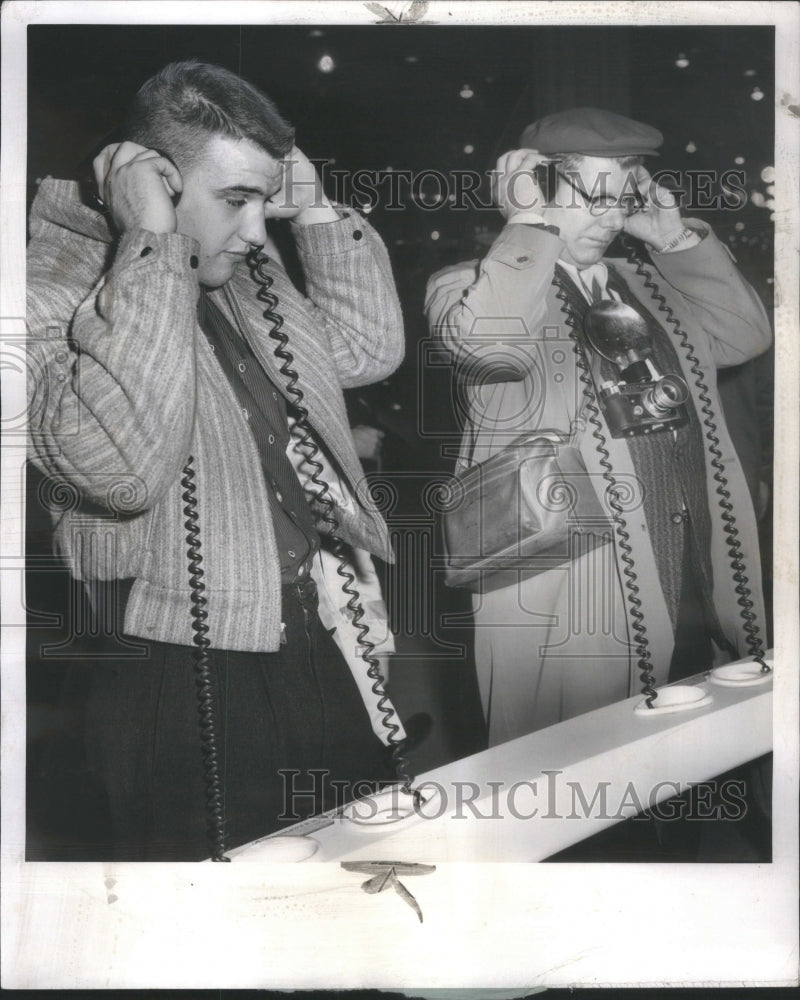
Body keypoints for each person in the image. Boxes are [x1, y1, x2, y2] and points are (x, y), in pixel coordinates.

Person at [26, 60, 406, 859]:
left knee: (358, 888)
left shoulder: (232, 269)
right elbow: (118, 465)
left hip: (307, 640)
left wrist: (314, 209)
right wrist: (153, 244)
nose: (255, 228)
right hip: (174, 670)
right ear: (155, 182)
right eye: (236, 200)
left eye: (262, 200)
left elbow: (367, 350)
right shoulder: (45, 285)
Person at [425, 107, 771, 746]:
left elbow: (746, 335)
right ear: (537, 185)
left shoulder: (650, 284)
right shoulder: (470, 288)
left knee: (692, 782)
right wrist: (527, 224)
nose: (614, 217)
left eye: (626, 196)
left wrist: (674, 241)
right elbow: (488, 347)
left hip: (693, 582)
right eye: (597, 196)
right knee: (586, 789)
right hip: (576, 595)